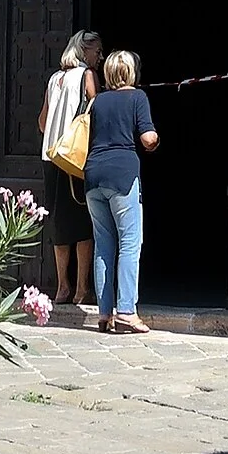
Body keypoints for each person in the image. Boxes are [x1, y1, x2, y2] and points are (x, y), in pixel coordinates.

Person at [82, 46, 158, 333]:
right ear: (131, 72)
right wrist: (156, 141)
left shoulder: (98, 102)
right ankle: (126, 310)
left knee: (103, 244)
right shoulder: (138, 97)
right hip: (122, 175)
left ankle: (104, 314)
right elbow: (148, 137)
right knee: (129, 242)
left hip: (93, 175)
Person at [39, 28, 100, 312]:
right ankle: (81, 289)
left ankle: (62, 286)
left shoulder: (54, 79)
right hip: (73, 157)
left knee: (59, 223)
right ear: (84, 51)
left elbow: (42, 122)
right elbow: (94, 111)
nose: (99, 57)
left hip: (51, 157)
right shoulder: (86, 76)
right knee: (82, 222)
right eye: (96, 51)